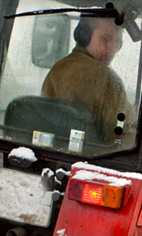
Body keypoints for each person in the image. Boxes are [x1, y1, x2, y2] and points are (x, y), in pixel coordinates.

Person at [41, 17, 132, 145]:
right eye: (105, 39)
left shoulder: (57, 69)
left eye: (118, 42)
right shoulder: (106, 77)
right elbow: (119, 134)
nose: (113, 48)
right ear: (83, 36)